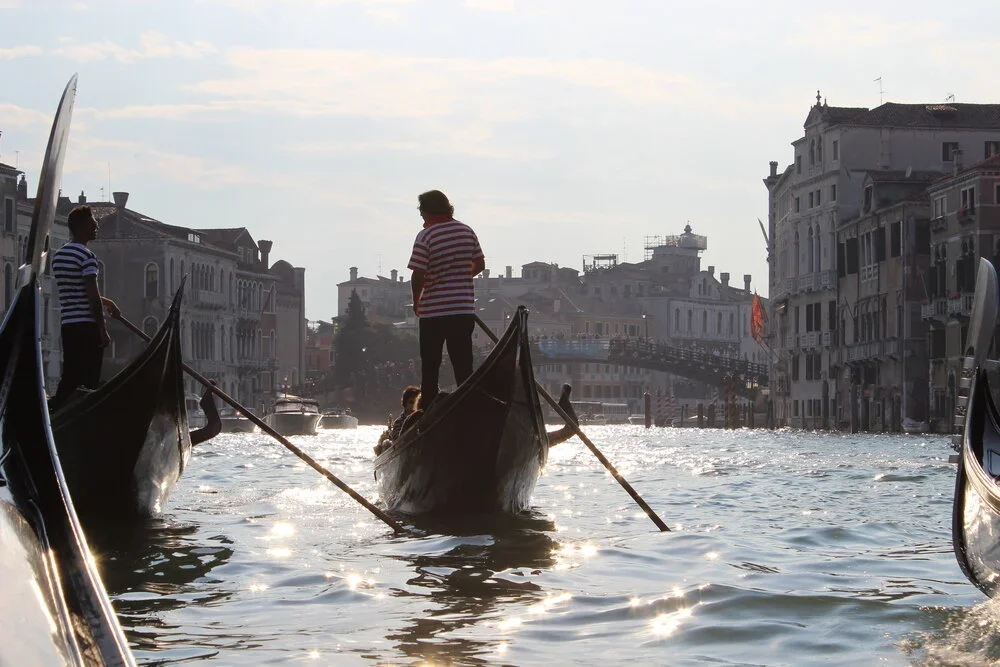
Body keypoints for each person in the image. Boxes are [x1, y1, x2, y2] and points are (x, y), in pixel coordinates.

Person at [407, 190, 485, 409]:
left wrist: (416, 301)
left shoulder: (426, 236)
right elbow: (479, 264)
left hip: (433, 312)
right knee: (463, 365)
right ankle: (468, 409)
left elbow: (418, 274)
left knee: (430, 366)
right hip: (462, 310)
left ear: (427, 210)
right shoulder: (466, 231)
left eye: (421, 210)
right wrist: (459, 276)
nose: (420, 215)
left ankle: (427, 412)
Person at [49, 205, 120, 410]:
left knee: (70, 374)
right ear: (81, 227)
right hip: (87, 326)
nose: (96, 226)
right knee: (89, 379)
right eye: (92, 223)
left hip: (69, 324)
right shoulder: (87, 257)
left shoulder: (60, 255)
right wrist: (102, 329)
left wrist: (110, 303)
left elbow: (76, 289)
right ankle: (81, 416)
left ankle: (56, 411)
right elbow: (91, 295)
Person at [375, 385, 421, 455]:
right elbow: (398, 442)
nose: (414, 405)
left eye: (416, 402)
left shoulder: (422, 418)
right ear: (405, 404)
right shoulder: (399, 422)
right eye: (411, 402)